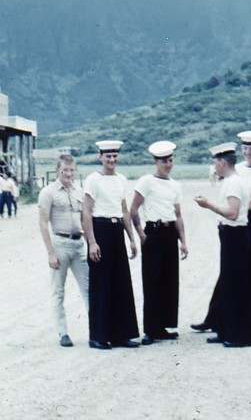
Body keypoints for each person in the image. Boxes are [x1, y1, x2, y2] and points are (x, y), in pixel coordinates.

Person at [193, 131, 251, 345]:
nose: (214, 166)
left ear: (223, 162)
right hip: (231, 234)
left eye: (216, 162)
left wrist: (208, 205)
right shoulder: (233, 181)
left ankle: (240, 336)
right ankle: (227, 331)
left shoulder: (233, 183)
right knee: (229, 284)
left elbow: (233, 213)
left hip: (235, 236)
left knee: (235, 285)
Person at [82, 139, 140, 350]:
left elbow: (124, 210)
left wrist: (131, 238)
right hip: (100, 230)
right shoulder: (93, 180)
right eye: (108, 156)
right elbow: (86, 212)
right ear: (100, 157)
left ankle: (121, 335)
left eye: (115, 156)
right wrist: (92, 242)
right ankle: (98, 336)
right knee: (102, 286)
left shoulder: (122, 180)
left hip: (117, 232)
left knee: (121, 284)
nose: (112, 160)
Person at [129, 140, 188, 345]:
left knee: (169, 281)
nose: (168, 164)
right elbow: (133, 209)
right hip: (153, 233)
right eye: (163, 160)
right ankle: (150, 330)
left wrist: (183, 241)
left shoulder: (174, 185)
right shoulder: (146, 181)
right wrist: (140, 234)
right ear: (155, 161)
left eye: (170, 160)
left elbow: (178, 214)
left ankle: (163, 326)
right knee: (152, 281)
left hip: (170, 233)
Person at [37, 154, 89, 348]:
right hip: (60, 244)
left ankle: (96, 330)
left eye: (71, 169)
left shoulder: (79, 191)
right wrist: (50, 253)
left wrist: (90, 243)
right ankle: (63, 333)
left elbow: (84, 219)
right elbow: (43, 223)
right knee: (58, 291)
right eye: (64, 170)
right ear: (58, 170)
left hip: (79, 244)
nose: (68, 173)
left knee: (88, 289)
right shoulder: (48, 193)